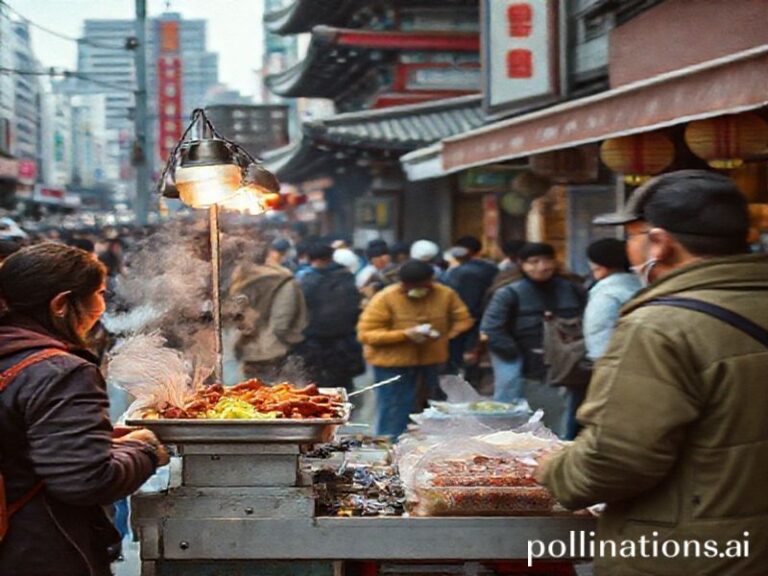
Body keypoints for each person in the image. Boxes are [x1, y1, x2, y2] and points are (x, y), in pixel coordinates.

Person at [538, 170, 768, 575]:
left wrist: (551, 470)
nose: (630, 248)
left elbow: (619, 458)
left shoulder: (659, 326)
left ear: (659, 242)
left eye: (632, 236)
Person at [0, 243, 169, 576]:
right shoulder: (60, 372)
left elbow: (21, 444)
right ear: (62, 304)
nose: (102, 306)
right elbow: (86, 481)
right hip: (37, 551)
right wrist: (144, 449)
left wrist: (102, 441)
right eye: (99, 294)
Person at [357, 259, 474, 438]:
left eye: (423, 285)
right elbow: (366, 335)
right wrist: (405, 335)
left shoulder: (445, 294)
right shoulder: (386, 298)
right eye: (410, 286)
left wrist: (444, 336)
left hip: (431, 360)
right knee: (394, 407)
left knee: (435, 408)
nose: (418, 289)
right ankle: (390, 443)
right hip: (392, 362)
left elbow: (463, 319)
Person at [481, 243, 584, 433]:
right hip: (522, 368)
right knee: (515, 422)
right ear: (522, 264)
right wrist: (513, 353)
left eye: (547, 260)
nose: (541, 267)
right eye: (534, 262)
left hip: (565, 366)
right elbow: (491, 328)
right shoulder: (509, 292)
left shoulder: (572, 289)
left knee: (559, 420)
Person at [561, 238, 640, 439]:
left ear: (598, 267)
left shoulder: (606, 294)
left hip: (613, 367)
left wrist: (601, 369)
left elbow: (598, 335)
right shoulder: (641, 285)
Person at [295, 244, 364, 391]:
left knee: (315, 386)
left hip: (312, 342)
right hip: (343, 342)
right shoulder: (346, 278)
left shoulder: (304, 280)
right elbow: (355, 308)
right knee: (342, 384)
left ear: (309, 258)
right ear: (330, 258)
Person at [228, 256, 307, 382]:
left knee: (251, 393)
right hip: (275, 351)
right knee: (281, 395)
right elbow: (281, 325)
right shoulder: (284, 282)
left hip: (248, 350)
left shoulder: (241, 278)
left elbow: (235, 317)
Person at [443, 236, 498, 376]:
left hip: (464, 321)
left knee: (458, 361)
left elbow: (467, 304)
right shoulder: (491, 268)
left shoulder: (461, 272)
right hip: (486, 318)